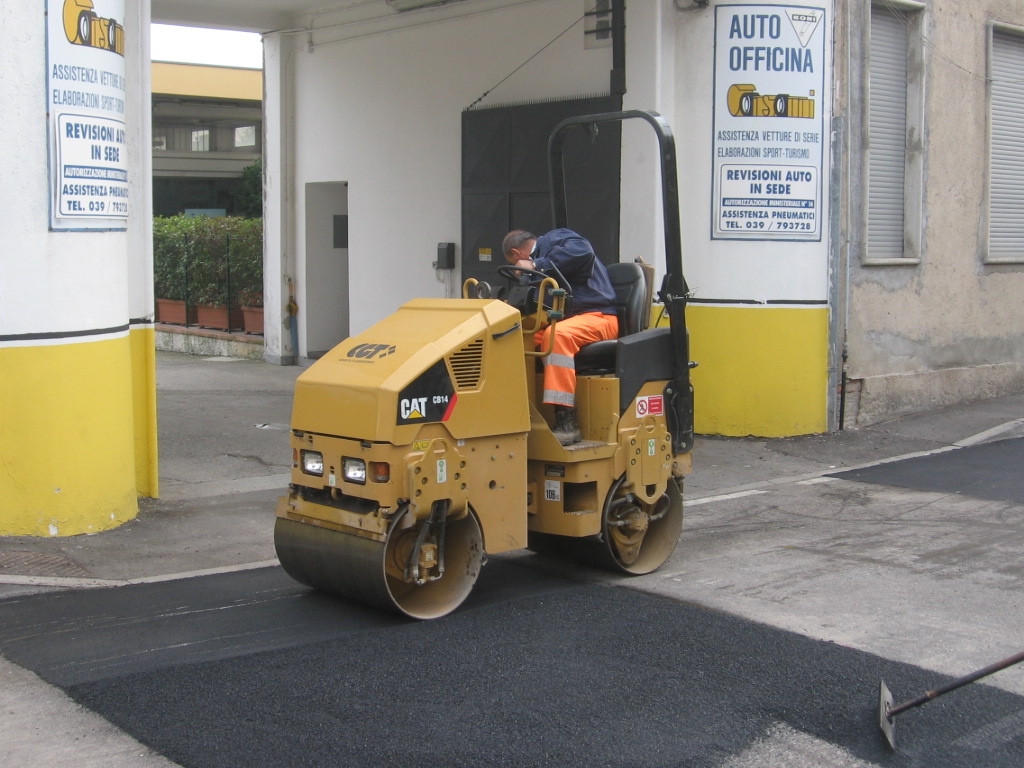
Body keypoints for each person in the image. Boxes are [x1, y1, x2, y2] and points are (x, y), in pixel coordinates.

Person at [502, 228, 618, 445]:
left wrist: (536, 265)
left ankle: (567, 421)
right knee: (514, 337)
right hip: (566, 320)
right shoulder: (541, 273)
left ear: (517, 254)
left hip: (599, 317)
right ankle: (514, 412)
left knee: (557, 336)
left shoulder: (556, 240)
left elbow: (583, 252)